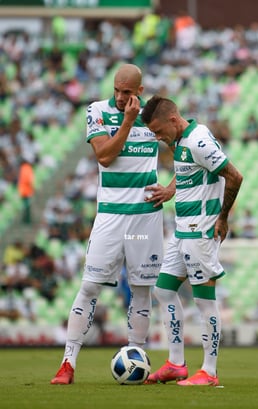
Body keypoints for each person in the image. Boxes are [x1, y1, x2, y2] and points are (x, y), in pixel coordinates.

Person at [50, 64, 169, 385]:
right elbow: (104, 156)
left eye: (127, 92)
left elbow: (181, 155)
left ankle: (137, 357)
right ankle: (67, 363)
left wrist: (170, 188)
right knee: (89, 286)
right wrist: (128, 122)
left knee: (143, 290)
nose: (119, 97)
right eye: (116, 90)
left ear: (139, 92)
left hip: (145, 216)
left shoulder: (153, 118)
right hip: (111, 216)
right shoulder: (97, 111)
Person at [140, 95, 243, 386]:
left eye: (159, 131)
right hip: (181, 229)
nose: (159, 138)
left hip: (202, 231)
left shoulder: (199, 141)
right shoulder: (181, 141)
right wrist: (172, 190)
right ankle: (176, 363)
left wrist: (223, 218)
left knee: (204, 300)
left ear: (173, 120)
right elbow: (187, 170)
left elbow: (235, 177)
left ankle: (209, 372)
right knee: (163, 290)